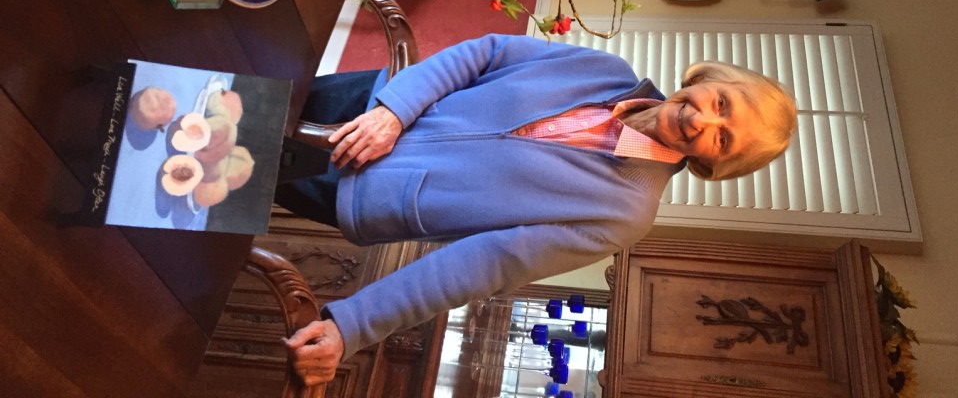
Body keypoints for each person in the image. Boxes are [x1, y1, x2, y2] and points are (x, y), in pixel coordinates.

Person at [275, 33, 796, 386]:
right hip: (369, 103)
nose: (705, 121)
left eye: (723, 140)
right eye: (722, 102)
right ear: (709, 79)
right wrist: (394, 111)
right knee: (219, 97)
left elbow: (484, 264)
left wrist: (354, 326)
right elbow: (485, 53)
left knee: (216, 176)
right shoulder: (603, 67)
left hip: (361, 189)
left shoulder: (624, 213)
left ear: (712, 164)